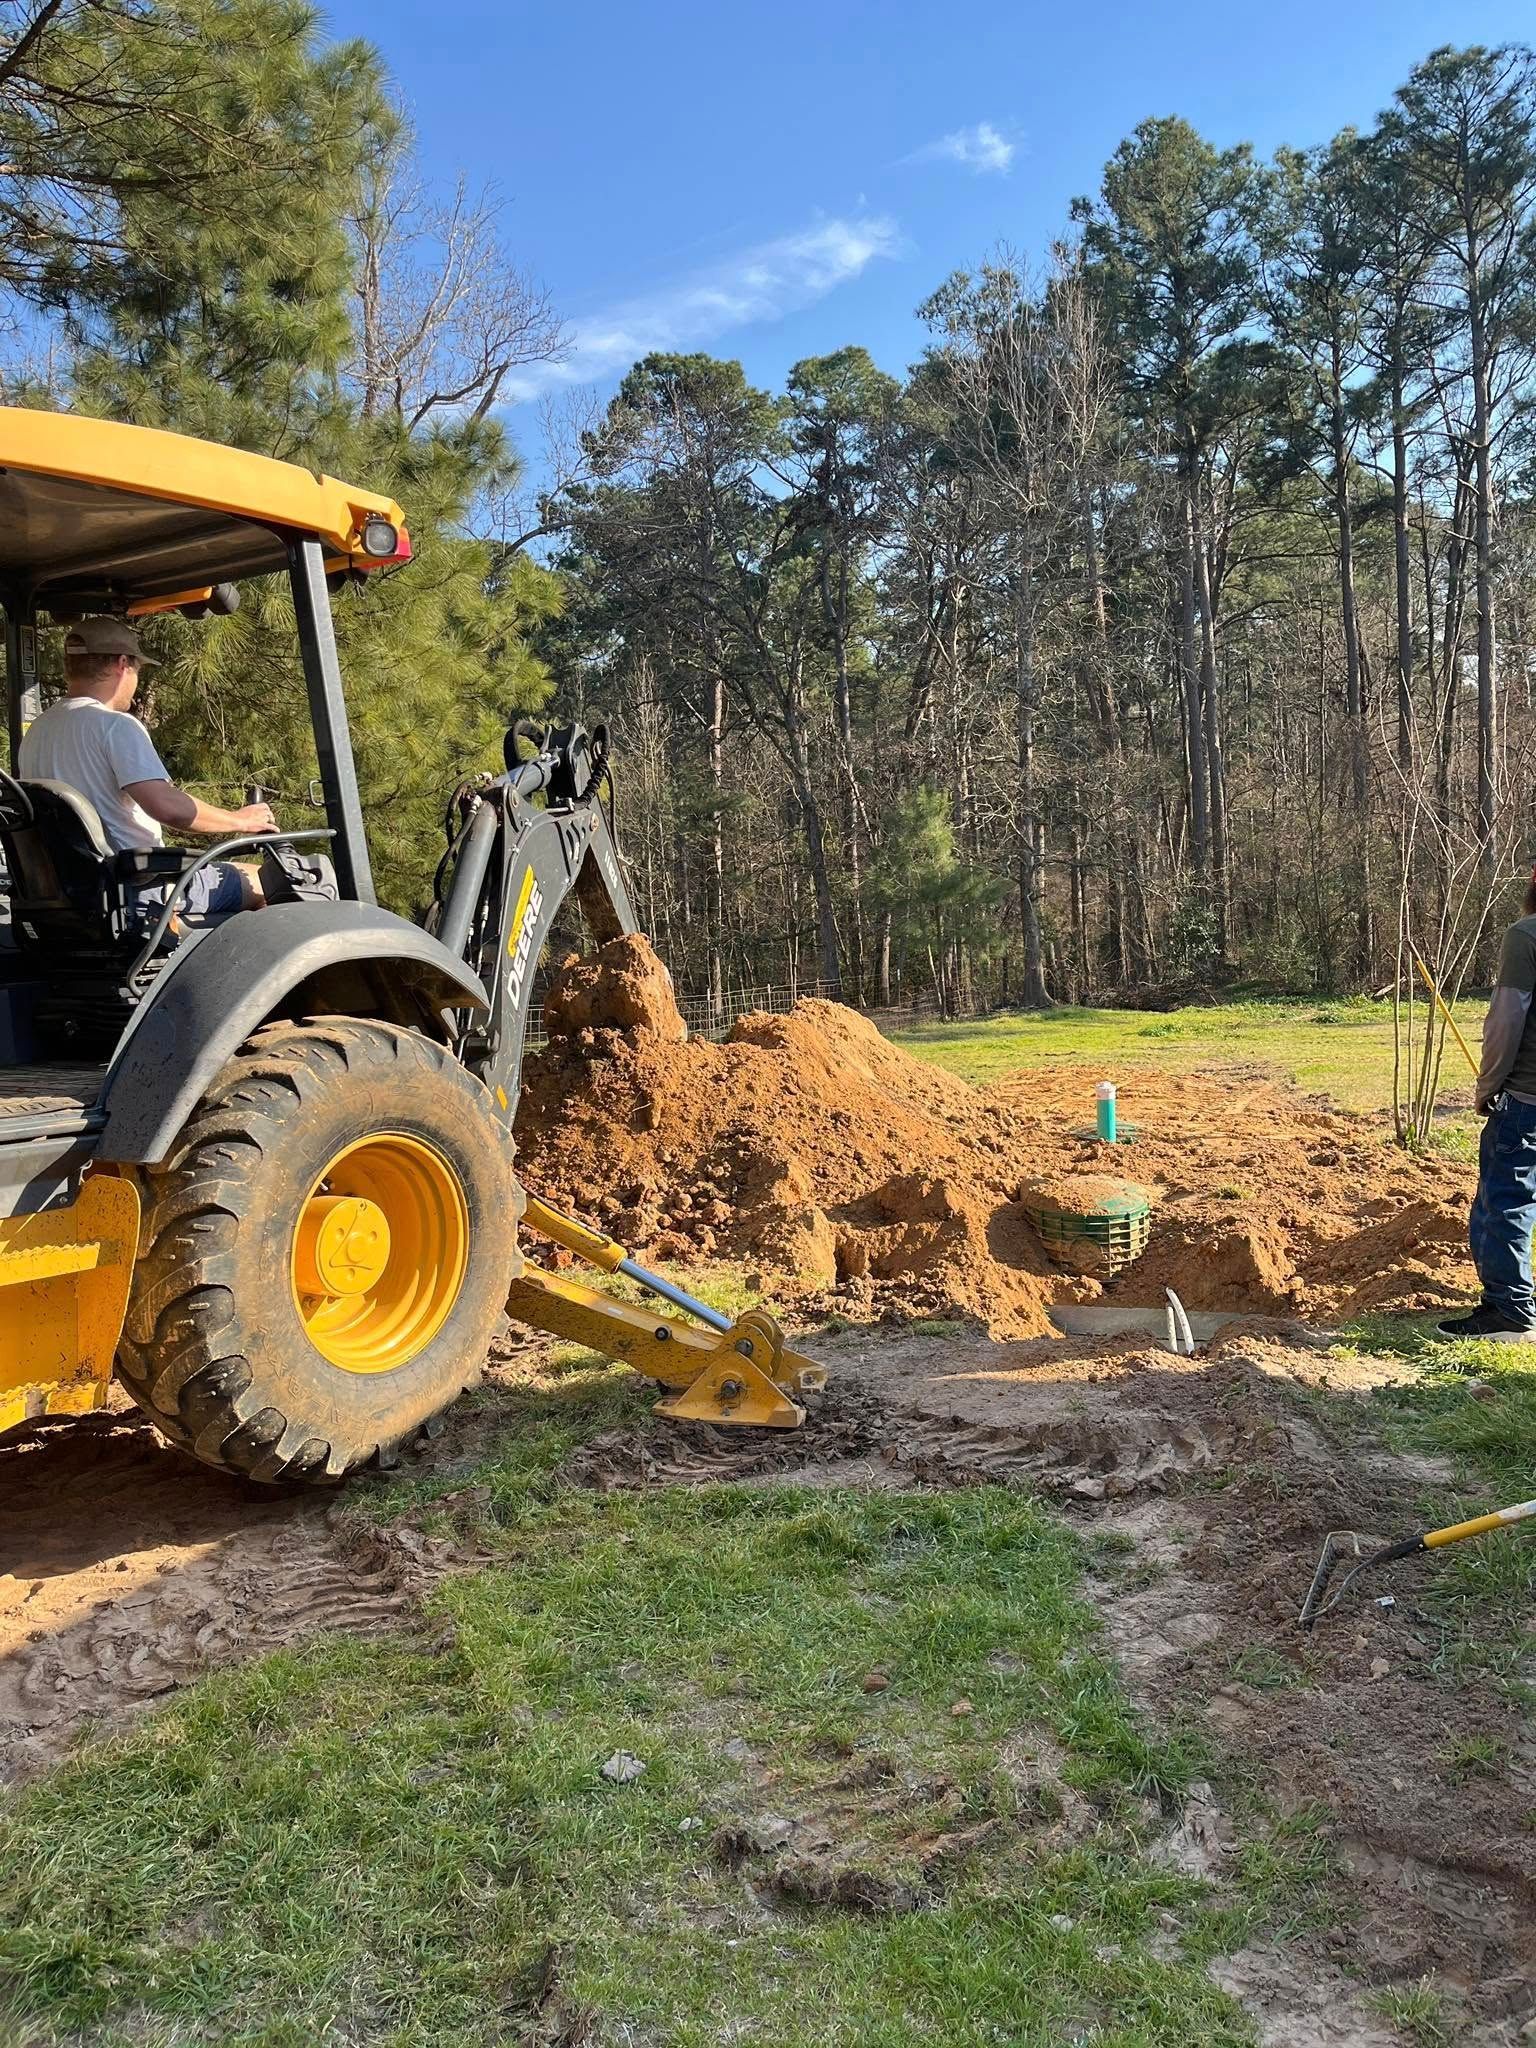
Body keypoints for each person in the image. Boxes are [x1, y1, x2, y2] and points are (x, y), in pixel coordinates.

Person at [16, 616, 275, 922]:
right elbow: (167, 807)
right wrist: (240, 821)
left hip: (74, 894)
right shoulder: (114, 726)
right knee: (272, 883)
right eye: (137, 669)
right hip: (139, 890)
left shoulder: (37, 732)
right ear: (123, 664)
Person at [1437, 872, 1536, 1343]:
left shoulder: (1526, 935)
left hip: (1527, 1099)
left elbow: (1507, 1018)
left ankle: (1509, 1311)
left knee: (1505, 1200)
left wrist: (1488, 1084)